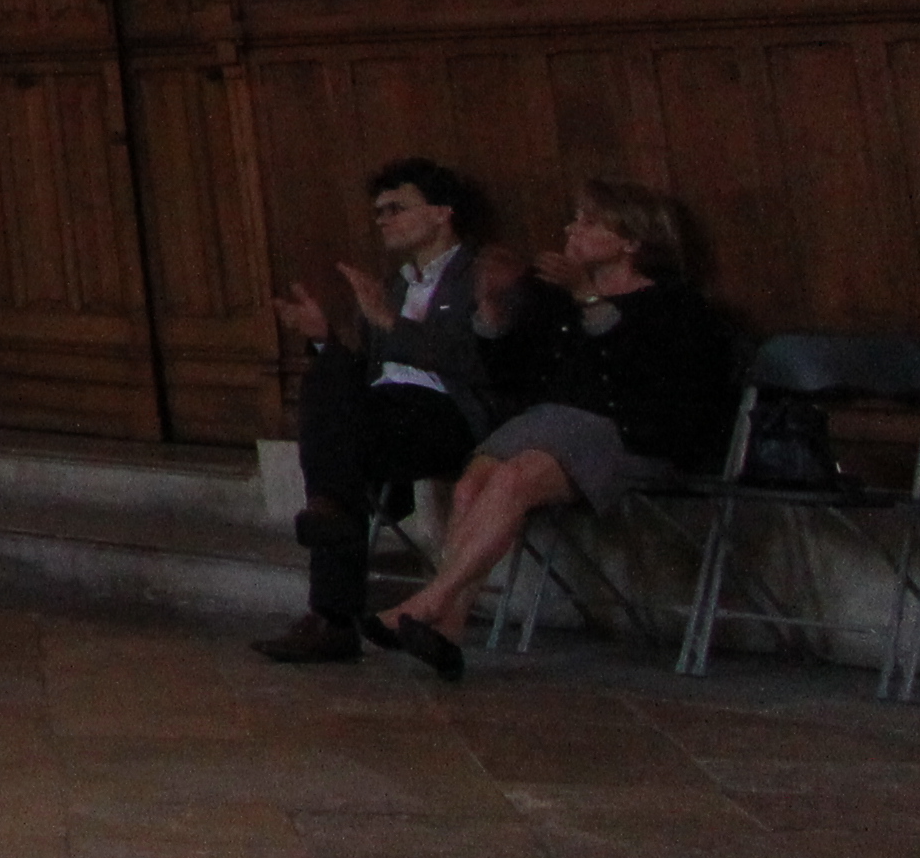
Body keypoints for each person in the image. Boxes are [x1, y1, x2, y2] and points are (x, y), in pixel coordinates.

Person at [369, 182, 735, 678]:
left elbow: (638, 379)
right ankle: (449, 626)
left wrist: (586, 297)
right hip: (551, 424)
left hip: (629, 432)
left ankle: (430, 601)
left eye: (587, 221)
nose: (570, 229)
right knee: (470, 486)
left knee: (511, 480)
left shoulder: (674, 304)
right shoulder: (557, 301)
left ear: (631, 241)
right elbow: (513, 374)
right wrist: (494, 310)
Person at [256, 157, 522, 665]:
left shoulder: (481, 272)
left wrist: (389, 323)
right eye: (378, 212)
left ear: (442, 212)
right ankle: (332, 579)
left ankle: (331, 614)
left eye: (396, 208)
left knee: (341, 449)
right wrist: (324, 340)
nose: (383, 220)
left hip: (451, 417)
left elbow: (484, 363)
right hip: (387, 415)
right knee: (334, 387)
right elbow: (373, 368)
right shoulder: (396, 283)